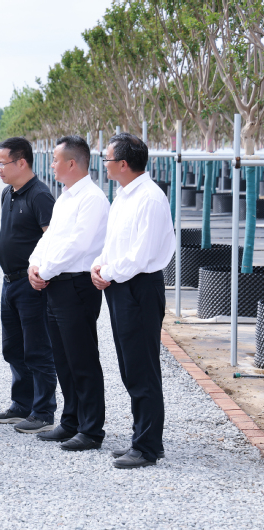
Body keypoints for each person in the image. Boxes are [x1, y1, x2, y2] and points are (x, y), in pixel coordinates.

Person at [91, 132, 175, 469]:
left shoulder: (150, 198)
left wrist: (108, 272)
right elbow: (114, 242)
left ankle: (147, 447)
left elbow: (141, 255)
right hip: (120, 284)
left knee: (142, 367)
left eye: (108, 159)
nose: (104, 164)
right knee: (131, 366)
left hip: (138, 286)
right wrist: (100, 265)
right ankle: (144, 437)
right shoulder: (124, 195)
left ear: (123, 164)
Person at [27, 135, 109, 451]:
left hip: (77, 285)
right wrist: (35, 265)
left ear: (72, 163)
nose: (51, 165)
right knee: (63, 358)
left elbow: (79, 244)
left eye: (55, 159)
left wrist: (45, 271)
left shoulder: (92, 198)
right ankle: (71, 421)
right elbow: (50, 238)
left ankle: (91, 430)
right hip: (56, 284)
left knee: (82, 359)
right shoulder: (65, 197)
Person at [0, 136, 58, 434]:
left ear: (21, 162)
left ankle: (43, 412)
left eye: (2, 163)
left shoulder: (40, 195)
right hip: (9, 284)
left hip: (32, 284)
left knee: (38, 350)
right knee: (13, 348)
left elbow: (51, 238)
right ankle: (22, 404)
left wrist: (41, 271)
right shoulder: (8, 193)